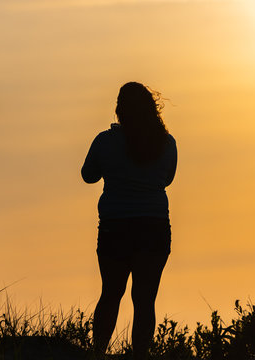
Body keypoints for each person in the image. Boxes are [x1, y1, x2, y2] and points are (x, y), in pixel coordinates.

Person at [81, 82, 177, 359]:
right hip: (154, 227)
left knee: (111, 294)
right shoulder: (166, 142)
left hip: (116, 227)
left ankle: (98, 352)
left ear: (120, 109)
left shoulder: (105, 141)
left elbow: (88, 175)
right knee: (145, 300)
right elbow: (167, 179)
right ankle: (140, 356)